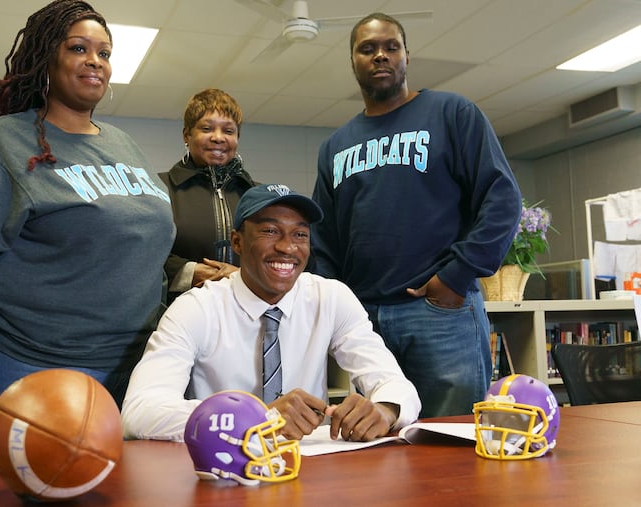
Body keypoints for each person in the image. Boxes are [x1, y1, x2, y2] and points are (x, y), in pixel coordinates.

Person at [0, 0, 175, 445]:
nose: (95, 61)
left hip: (133, 371)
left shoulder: (125, 145)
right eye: (78, 48)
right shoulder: (4, 143)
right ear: (46, 58)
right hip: (29, 367)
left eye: (104, 53)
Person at [311, 13, 522, 418]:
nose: (380, 56)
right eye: (367, 49)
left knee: (454, 441)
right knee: (379, 446)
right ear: (352, 61)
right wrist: (342, 308)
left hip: (440, 311)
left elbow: (502, 199)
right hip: (366, 322)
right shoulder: (335, 146)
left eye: (391, 46)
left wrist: (456, 277)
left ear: (407, 55)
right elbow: (324, 239)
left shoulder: (453, 113)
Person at [121, 183, 421, 442]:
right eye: (270, 231)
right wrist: (254, 417)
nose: (287, 247)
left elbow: (395, 385)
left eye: (300, 235)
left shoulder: (331, 297)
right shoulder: (196, 308)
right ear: (237, 241)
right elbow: (140, 411)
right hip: (225, 468)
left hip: (314, 467)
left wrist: (384, 409)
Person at [159, 88, 255, 302]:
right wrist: (191, 272)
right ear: (187, 135)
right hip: (181, 311)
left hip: (246, 312)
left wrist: (240, 276)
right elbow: (144, 251)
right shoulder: (159, 188)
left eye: (228, 131)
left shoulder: (256, 196)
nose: (218, 138)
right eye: (206, 128)